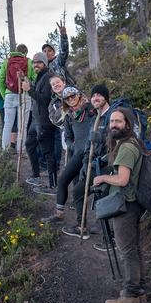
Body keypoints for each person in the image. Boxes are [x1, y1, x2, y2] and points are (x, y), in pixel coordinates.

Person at [93, 108, 147, 303]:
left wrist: (102, 178)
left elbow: (123, 179)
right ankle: (139, 292)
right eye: (111, 121)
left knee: (126, 250)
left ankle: (130, 295)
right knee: (133, 248)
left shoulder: (126, 148)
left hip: (125, 203)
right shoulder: (131, 144)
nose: (114, 125)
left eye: (118, 121)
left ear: (127, 124)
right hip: (132, 202)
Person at [41, 86, 95, 225]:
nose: (71, 99)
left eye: (73, 96)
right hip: (78, 154)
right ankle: (59, 214)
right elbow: (68, 137)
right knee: (63, 180)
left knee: (80, 189)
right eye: (67, 98)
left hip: (92, 154)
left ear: (79, 95)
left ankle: (83, 224)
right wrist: (72, 146)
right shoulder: (69, 116)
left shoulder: (90, 110)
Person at [68, 84, 111, 239]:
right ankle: (82, 226)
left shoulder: (112, 115)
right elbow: (88, 145)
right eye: (93, 96)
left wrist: (102, 138)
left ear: (106, 97)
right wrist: (86, 164)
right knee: (78, 191)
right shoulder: (95, 118)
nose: (95, 98)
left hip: (110, 166)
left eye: (99, 95)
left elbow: (119, 139)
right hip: (94, 165)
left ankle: (110, 237)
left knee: (105, 197)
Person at [24, 52, 58, 192]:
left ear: (44, 63)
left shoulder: (49, 77)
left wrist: (29, 90)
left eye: (38, 62)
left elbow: (45, 100)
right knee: (29, 144)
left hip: (45, 122)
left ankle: (53, 185)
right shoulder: (40, 77)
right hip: (36, 121)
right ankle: (36, 176)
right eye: (34, 62)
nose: (35, 64)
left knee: (48, 153)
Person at [0, 44, 35, 150]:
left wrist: (6, 95)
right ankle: (21, 150)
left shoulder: (7, 61)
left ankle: (5, 150)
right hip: (24, 95)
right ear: (25, 52)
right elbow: (34, 78)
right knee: (23, 124)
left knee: (7, 124)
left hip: (9, 95)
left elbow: (0, 81)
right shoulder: (29, 62)